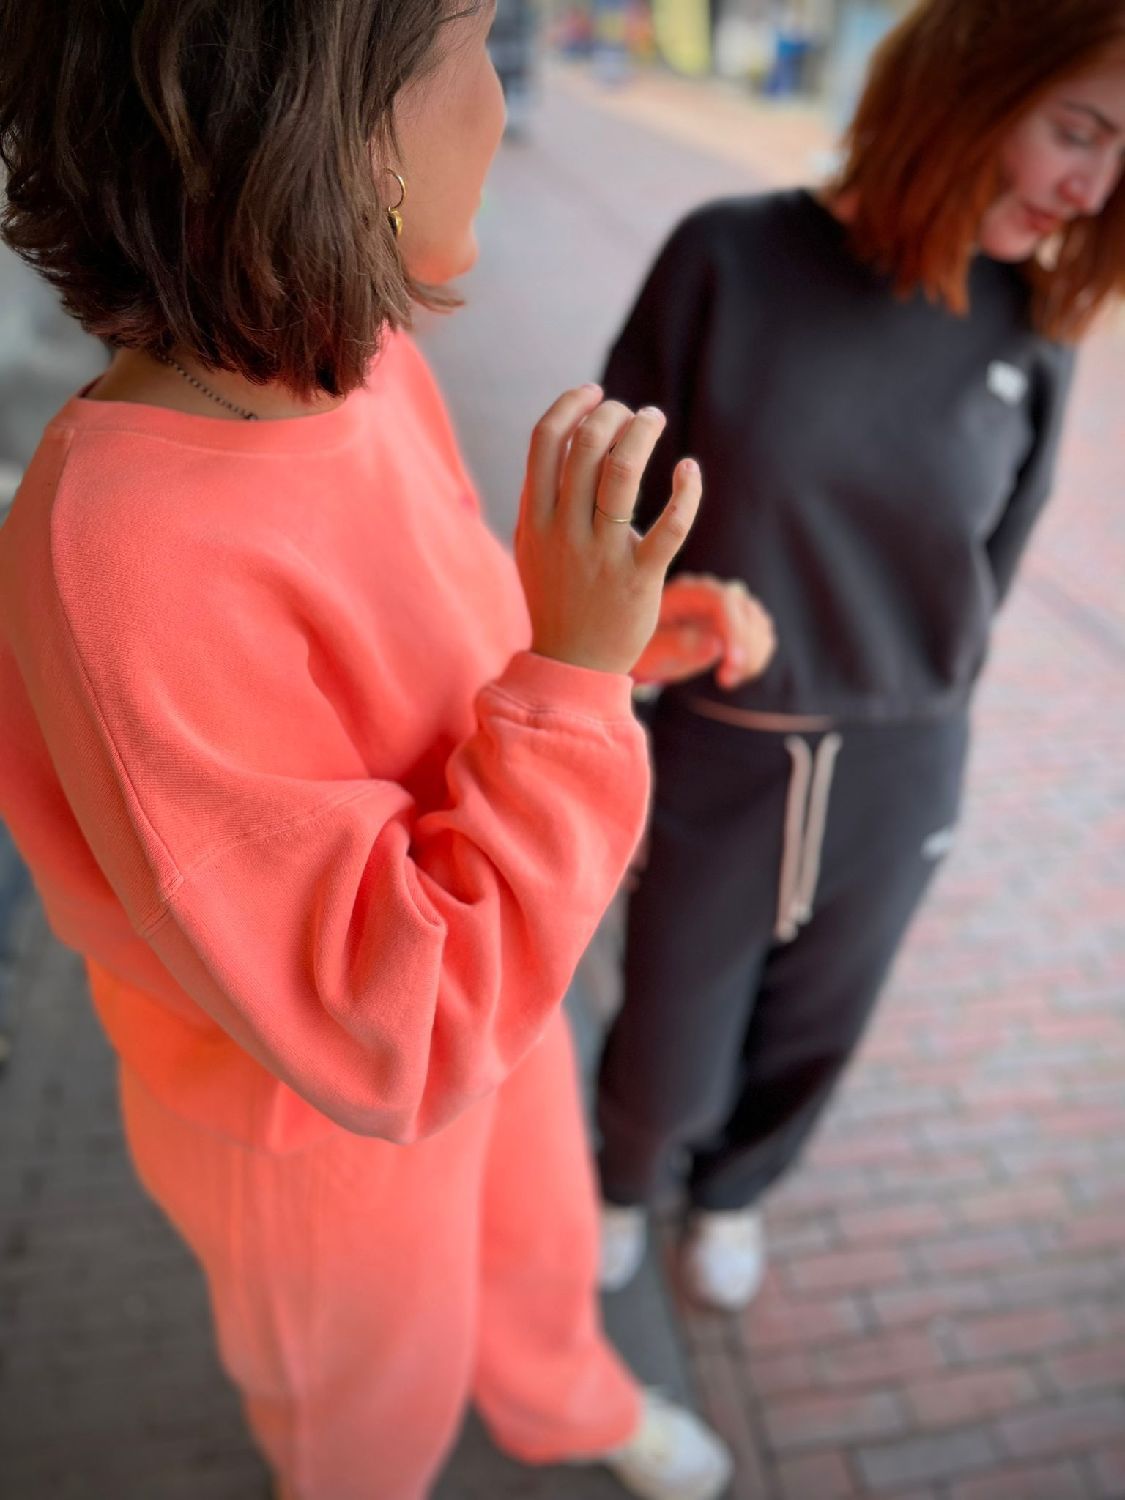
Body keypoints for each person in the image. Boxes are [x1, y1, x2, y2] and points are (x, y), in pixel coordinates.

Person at [0, 3, 776, 1497]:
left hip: (496, 969)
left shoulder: (359, 362)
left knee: (539, 1242)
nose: (502, 97)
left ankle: (565, 1402)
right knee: (363, 1418)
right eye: (478, 40)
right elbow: (391, 1031)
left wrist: (600, 650)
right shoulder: (128, 553)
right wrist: (570, 682)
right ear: (351, 139)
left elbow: (446, 653)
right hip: (315, 1124)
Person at [595, 0, 1125, 1310]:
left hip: (902, 762)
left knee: (818, 1032)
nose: (1091, 186)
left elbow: (990, 573)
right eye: (1078, 130)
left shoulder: (1030, 334)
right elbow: (605, 529)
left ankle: (734, 1197)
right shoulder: (727, 258)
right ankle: (622, 1181)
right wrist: (621, 671)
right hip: (719, 745)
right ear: (965, 85)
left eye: (1120, 157)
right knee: (666, 1032)